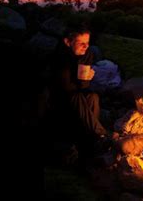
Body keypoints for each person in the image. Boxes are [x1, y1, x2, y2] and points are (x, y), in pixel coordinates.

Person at [48, 26, 112, 159]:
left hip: (77, 95)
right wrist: (82, 81)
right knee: (76, 97)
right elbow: (65, 88)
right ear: (68, 42)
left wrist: (86, 79)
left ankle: (92, 139)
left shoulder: (87, 55)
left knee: (93, 97)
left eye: (87, 43)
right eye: (81, 43)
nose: (85, 46)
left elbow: (83, 86)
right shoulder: (60, 58)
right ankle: (101, 134)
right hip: (59, 99)